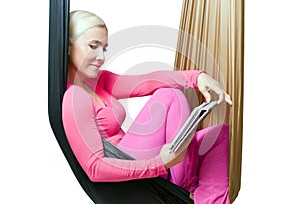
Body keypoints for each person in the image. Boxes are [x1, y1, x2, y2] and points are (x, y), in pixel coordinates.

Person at [62, 10, 232, 203]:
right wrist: (159, 163)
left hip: (149, 160)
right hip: (130, 170)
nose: (101, 57)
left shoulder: (98, 81)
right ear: (69, 47)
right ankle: (181, 184)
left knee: (220, 134)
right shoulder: (74, 96)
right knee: (170, 96)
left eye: (104, 48)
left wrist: (197, 77)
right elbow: (94, 168)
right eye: (93, 46)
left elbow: (145, 82)